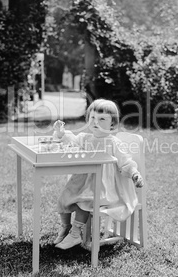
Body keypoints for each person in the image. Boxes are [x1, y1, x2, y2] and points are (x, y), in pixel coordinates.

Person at [52, 99, 144, 250]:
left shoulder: (113, 142)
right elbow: (71, 142)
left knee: (85, 202)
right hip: (82, 181)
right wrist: (61, 133)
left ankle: (75, 234)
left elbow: (125, 161)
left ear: (112, 124)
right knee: (64, 198)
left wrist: (134, 173)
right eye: (92, 118)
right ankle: (66, 227)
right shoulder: (84, 138)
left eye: (102, 119)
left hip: (103, 186)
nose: (95, 122)